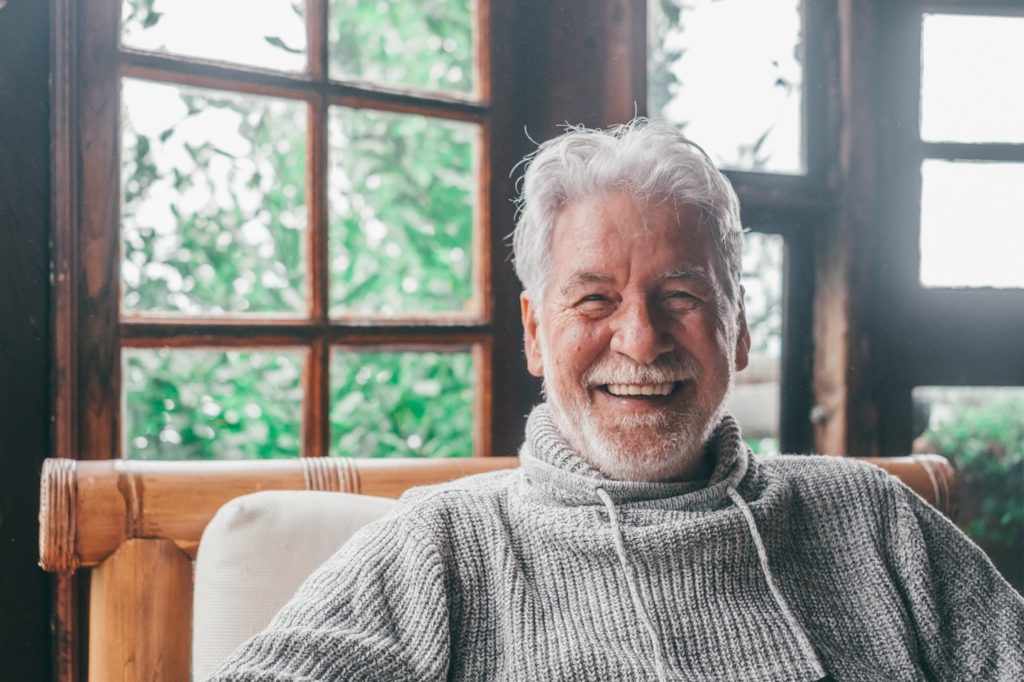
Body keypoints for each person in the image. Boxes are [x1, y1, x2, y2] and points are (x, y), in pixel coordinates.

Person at [208, 120, 1023, 681]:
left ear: (737, 328)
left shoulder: (872, 518)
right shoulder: (442, 547)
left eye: (681, 297)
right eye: (594, 300)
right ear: (535, 331)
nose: (640, 340)